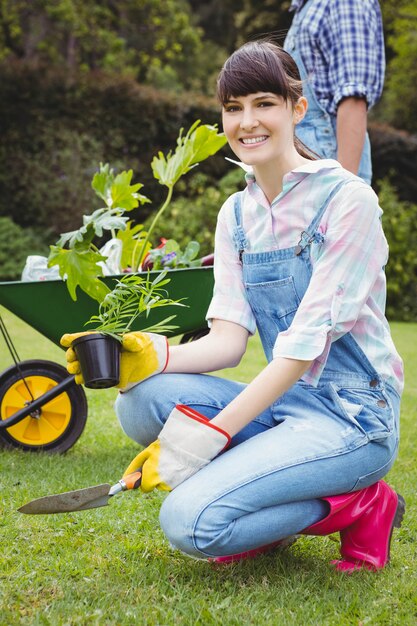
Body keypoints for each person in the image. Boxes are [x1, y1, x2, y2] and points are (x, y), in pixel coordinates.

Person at [62, 40, 404, 572]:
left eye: (264, 103)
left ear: (297, 108)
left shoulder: (348, 201)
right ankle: (261, 483)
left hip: (353, 418)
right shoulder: (236, 215)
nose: (247, 122)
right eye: (233, 108)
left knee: (190, 523)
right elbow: (226, 341)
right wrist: (152, 357)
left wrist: (209, 436)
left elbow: (296, 353)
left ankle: (361, 503)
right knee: (138, 401)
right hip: (288, 407)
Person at [283, 0, 385, 184]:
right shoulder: (306, 8)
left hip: (329, 170)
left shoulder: (345, 3)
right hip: (305, 166)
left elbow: (353, 98)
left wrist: (346, 190)